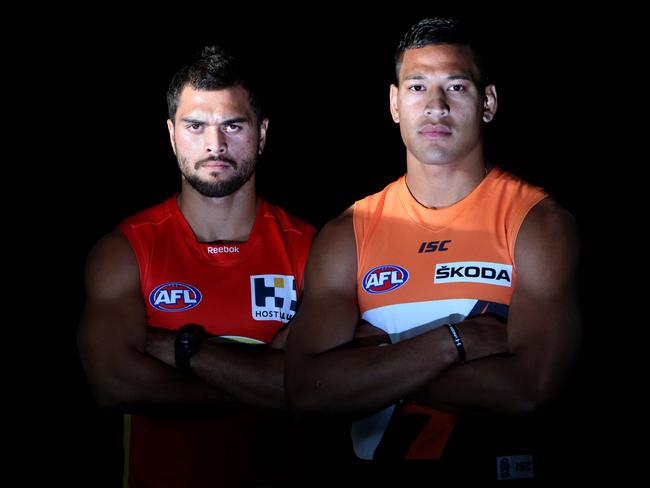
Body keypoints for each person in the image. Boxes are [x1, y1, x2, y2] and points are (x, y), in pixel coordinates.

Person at [285, 17, 581, 482]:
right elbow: (306, 390)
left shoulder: (538, 222)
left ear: (488, 103)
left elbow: (529, 389)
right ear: (394, 104)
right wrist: (455, 343)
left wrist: (376, 364)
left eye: (457, 87)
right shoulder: (350, 231)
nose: (436, 106)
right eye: (418, 87)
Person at [78, 45, 317, 487]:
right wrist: (268, 380)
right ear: (171, 134)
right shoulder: (127, 249)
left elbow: (322, 383)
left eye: (234, 124)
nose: (215, 144)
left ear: (262, 133)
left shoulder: (312, 249)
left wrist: (177, 350)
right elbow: (114, 384)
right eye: (195, 126)